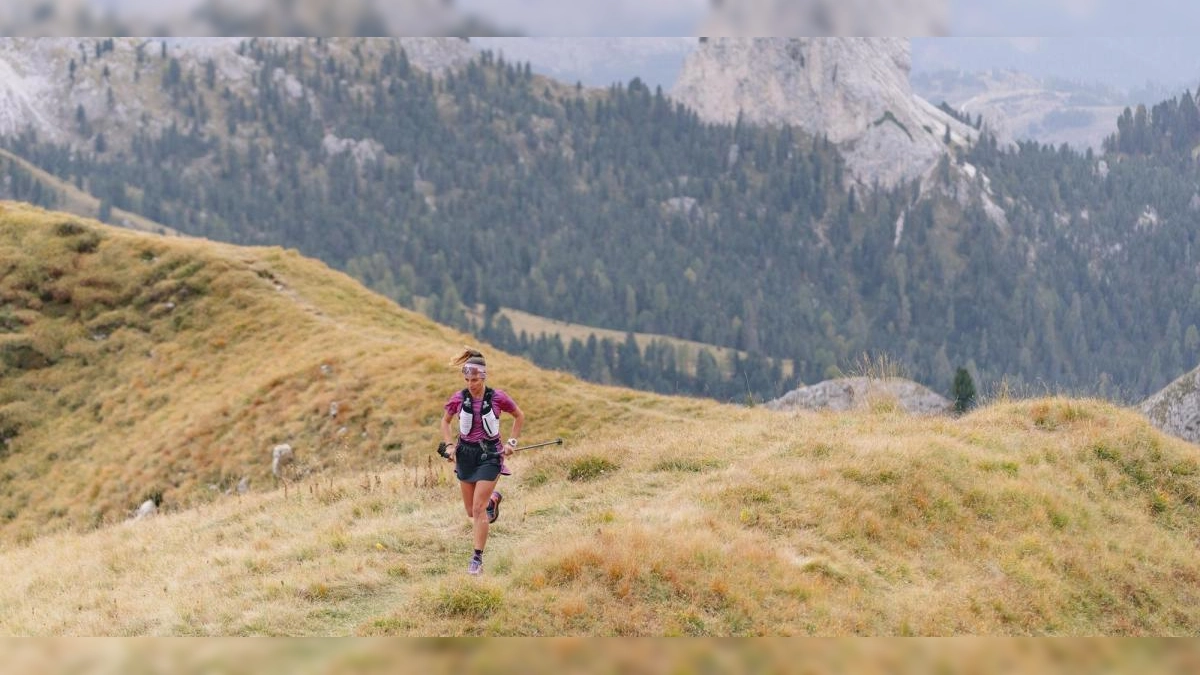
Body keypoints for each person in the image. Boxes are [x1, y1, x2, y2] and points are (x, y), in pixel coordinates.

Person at [440, 347, 525, 576]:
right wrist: (449, 447)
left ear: (484, 376)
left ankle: (477, 559)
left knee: (477, 510)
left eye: (475, 379)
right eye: (467, 379)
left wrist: (512, 443)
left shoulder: (498, 397)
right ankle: (493, 501)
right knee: (471, 511)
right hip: (465, 456)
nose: (471, 384)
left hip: (491, 456)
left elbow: (519, 415)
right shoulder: (458, 398)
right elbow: (445, 422)